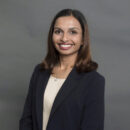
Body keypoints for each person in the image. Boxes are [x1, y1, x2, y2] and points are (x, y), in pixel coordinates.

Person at [19, 8, 105, 130]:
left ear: (82, 39)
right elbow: (27, 119)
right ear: (51, 35)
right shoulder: (40, 72)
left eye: (73, 32)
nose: (64, 38)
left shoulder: (93, 81)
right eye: (58, 31)